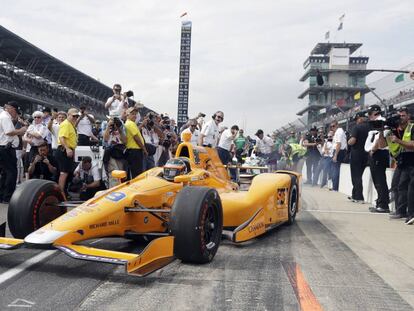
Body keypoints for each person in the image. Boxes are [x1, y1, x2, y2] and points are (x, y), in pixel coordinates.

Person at [383, 107, 414, 223]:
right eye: (399, 116)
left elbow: (411, 144)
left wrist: (398, 140)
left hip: (411, 161)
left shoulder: (411, 127)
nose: (400, 118)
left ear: (408, 117)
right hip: (402, 161)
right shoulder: (395, 129)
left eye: (403, 115)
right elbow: (384, 145)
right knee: (399, 186)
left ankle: (410, 213)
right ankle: (401, 211)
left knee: (410, 188)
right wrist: (384, 131)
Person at [364, 105, 390, 213]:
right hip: (375, 153)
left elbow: (380, 140)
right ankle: (380, 202)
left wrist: (373, 150)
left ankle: (383, 205)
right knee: (377, 180)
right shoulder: (375, 123)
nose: (369, 117)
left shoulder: (382, 123)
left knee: (379, 180)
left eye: (370, 115)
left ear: (373, 113)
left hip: (379, 152)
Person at [0, 101, 27, 203]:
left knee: (5, 172)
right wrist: (21, 130)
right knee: (12, 172)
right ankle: (8, 196)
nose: (15, 114)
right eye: (16, 112)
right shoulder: (5, 117)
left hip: (4, 147)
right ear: (12, 109)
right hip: (6, 148)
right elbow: (9, 132)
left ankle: (2, 195)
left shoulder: (3, 116)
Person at [56, 108, 80, 193]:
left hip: (68, 150)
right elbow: (61, 138)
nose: (75, 118)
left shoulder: (70, 125)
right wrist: (67, 149)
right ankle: (61, 194)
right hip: (64, 150)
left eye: (77, 116)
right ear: (68, 115)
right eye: (74, 116)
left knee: (67, 173)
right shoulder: (66, 124)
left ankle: (63, 192)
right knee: (64, 173)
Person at [347, 112, 369, 202]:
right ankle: (355, 195)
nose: (356, 121)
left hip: (357, 154)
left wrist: (348, 141)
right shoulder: (370, 127)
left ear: (360, 118)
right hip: (367, 154)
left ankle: (359, 197)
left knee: (356, 176)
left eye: (356, 120)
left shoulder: (357, 127)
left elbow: (352, 141)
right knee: (359, 175)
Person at [125, 107, 148, 179]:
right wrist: (144, 149)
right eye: (132, 114)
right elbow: (136, 138)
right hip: (135, 151)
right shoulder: (131, 123)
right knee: (137, 173)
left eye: (135, 114)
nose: (135, 115)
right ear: (127, 115)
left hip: (133, 151)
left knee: (135, 172)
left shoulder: (130, 123)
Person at [331, 120, 348, 191]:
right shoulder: (338, 132)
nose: (332, 128)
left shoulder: (339, 132)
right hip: (339, 151)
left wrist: (335, 155)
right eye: (331, 126)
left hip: (339, 151)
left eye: (333, 126)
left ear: (337, 125)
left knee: (336, 170)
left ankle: (335, 187)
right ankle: (335, 186)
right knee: (334, 169)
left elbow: (339, 144)